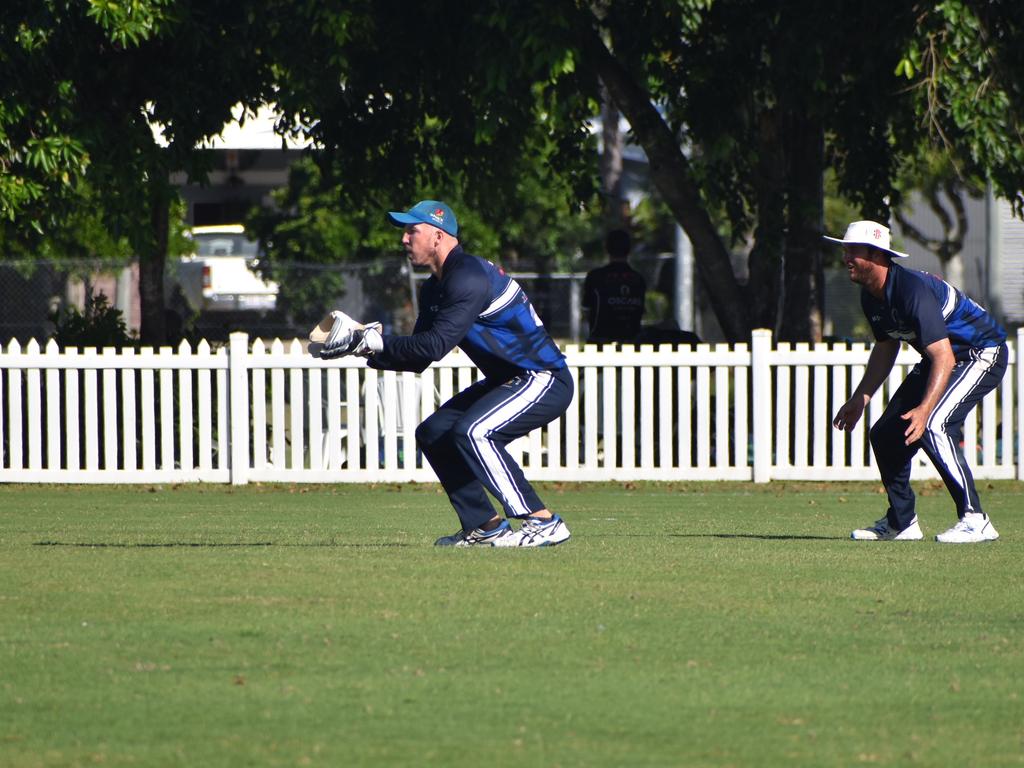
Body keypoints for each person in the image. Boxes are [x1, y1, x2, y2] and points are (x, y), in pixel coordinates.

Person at [322, 200, 573, 547]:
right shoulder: (434, 287)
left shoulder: (467, 276)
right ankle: (484, 527)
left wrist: (374, 342)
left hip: (542, 378)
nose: (404, 240)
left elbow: (435, 346)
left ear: (438, 236)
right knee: (435, 432)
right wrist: (362, 347)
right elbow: (419, 356)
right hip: (510, 379)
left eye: (412, 230)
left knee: (476, 432)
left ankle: (542, 522)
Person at [827, 220, 1008, 543]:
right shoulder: (871, 296)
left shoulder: (911, 290)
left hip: (981, 352)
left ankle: (975, 519)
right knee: (885, 435)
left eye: (853, 251)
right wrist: (861, 398)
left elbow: (945, 357)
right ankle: (902, 522)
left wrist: (925, 409)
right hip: (944, 359)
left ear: (877, 255)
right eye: (845, 250)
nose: (846, 257)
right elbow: (886, 347)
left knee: (935, 424)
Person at [582, 229, 646, 344]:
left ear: (606, 248)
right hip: (631, 342)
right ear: (629, 249)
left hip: (600, 341)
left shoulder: (595, 277)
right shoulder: (638, 279)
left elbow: (586, 310)